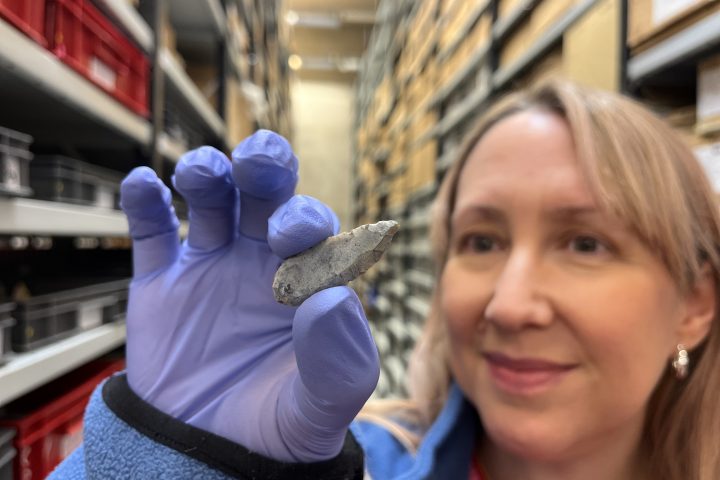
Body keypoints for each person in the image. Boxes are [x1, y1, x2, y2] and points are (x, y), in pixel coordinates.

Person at [49, 79, 720, 480]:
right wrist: (166, 453)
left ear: (695, 304)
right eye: (481, 241)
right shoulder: (343, 463)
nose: (510, 305)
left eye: (585, 243)